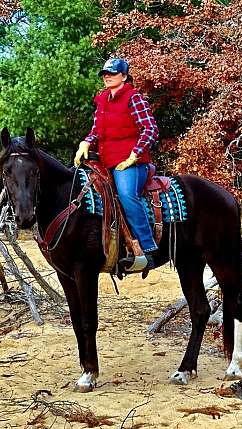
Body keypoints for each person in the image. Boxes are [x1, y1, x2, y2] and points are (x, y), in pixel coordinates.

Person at [74, 57, 159, 271]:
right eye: (104, 74)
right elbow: (96, 131)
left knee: (126, 194)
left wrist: (134, 155)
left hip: (130, 163)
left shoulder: (133, 97)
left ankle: (148, 249)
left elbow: (150, 129)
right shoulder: (102, 99)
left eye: (111, 73)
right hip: (105, 160)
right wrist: (86, 142)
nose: (106, 77)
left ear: (124, 75)